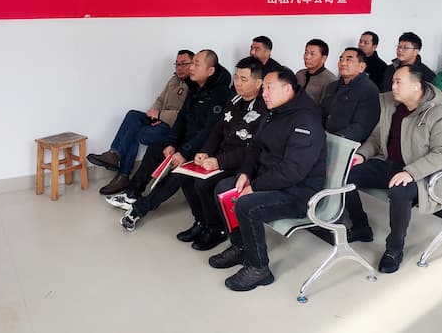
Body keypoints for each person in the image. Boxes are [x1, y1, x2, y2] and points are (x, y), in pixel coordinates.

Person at [208, 67, 327, 292]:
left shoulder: (306, 120)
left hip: (298, 192)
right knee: (224, 188)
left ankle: (259, 268)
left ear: (287, 89)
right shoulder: (275, 111)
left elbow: (293, 171)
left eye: (269, 88)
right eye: (263, 89)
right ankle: (241, 246)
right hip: (272, 180)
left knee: (247, 205)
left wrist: (254, 187)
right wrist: (245, 173)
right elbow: (255, 147)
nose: (264, 94)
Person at [346, 65, 442, 273]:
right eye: (393, 82)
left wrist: (410, 172)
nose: (393, 87)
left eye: (399, 82)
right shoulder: (392, 104)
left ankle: (394, 249)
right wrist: (362, 154)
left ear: (416, 86)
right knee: (346, 175)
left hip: (423, 174)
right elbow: (377, 137)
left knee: (399, 191)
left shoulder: (440, 112)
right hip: (390, 165)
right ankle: (361, 226)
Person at [113, 50, 232, 229]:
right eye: (192, 63)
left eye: (196, 64)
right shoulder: (195, 87)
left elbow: (209, 131)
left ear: (210, 71)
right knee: (156, 148)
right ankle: (132, 193)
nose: (191, 68)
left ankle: (139, 209)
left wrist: (183, 152)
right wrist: (171, 143)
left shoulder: (220, 94)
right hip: (188, 141)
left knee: (178, 173)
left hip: (205, 148)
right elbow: (182, 118)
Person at [175, 56, 267, 250]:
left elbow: (253, 149)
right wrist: (205, 151)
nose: (238, 83)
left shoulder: (264, 108)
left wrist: (219, 161)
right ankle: (201, 222)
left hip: (243, 164)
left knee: (204, 183)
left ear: (259, 83)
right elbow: (217, 129)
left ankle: (217, 229)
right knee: (185, 176)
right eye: (236, 77)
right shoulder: (234, 99)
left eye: (244, 79)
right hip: (222, 156)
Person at [88, 50, 194, 195]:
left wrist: (161, 115)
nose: (179, 68)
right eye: (177, 64)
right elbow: (160, 99)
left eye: (183, 64)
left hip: (173, 127)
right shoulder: (174, 80)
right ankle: (114, 154)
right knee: (132, 115)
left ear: (193, 64)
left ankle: (123, 175)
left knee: (136, 134)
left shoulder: (194, 86)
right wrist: (155, 116)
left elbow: (185, 116)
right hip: (160, 119)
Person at [320, 47, 380, 142]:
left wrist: (333, 140)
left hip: (346, 142)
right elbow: (321, 114)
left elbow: (361, 127)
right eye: (341, 59)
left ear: (361, 67)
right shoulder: (332, 86)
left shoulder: (369, 90)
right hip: (324, 137)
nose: (343, 63)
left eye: (349, 60)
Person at [295, 38, 337, 106]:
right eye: (306, 52)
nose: (307, 57)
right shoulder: (300, 74)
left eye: (312, 54)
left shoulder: (330, 81)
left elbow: (325, 108)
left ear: (323, 58)